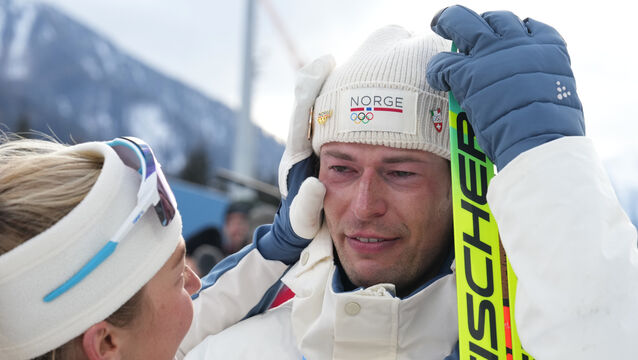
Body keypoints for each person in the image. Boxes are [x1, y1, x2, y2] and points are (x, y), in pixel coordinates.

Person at [180, 5, 638, 360]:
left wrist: (549, 169)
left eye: (401, 173)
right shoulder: (233, 348)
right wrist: (266, 255)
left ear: (462, 189)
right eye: (341, 168)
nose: (364, 205)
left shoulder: (535, 340)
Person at [0, 134, 307, 360]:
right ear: (105, 343)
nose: (196, 282)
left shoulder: (136, 345)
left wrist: (275, 248)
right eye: (177, 279)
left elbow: (192, 320)